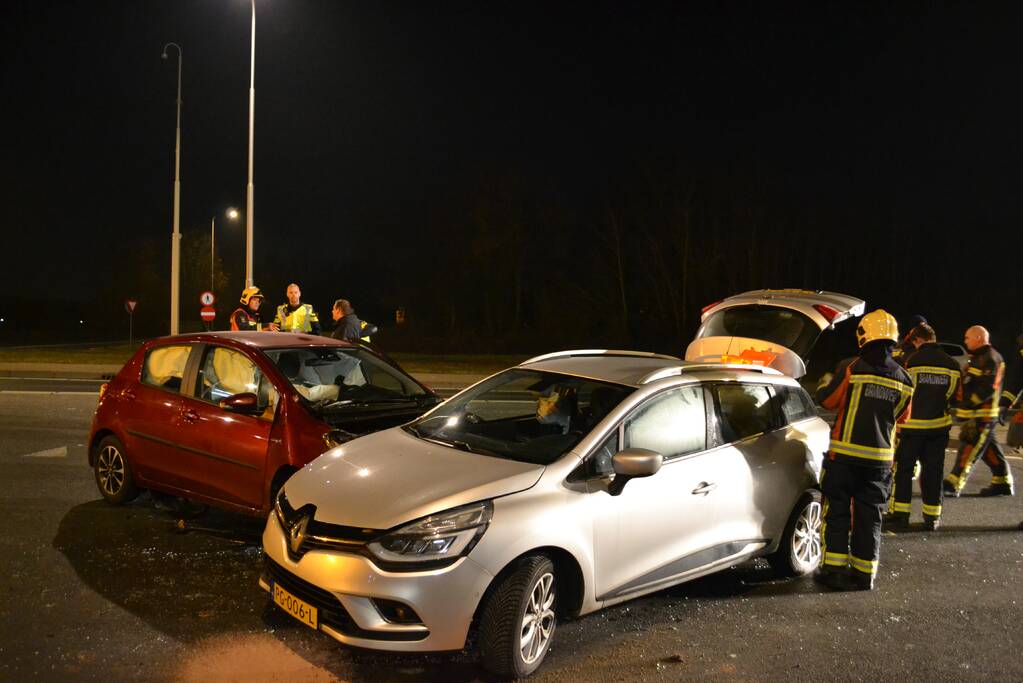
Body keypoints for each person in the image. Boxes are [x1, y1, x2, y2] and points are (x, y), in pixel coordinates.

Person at [814, 309, 914, 591]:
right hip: (880, 462)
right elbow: (903, 417)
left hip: (844, 457)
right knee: (870, 517)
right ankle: (863, 574)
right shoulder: (905, 379)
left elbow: (830, 402)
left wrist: (823, 384)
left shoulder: (852, 367)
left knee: (837, 513)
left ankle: (833, 570)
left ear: (864, 335)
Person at [886, 323, 961, 531]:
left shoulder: (911, 361)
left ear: (918, 340)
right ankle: (932, 518)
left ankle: (900, 514)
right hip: (938, 428)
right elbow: (955, 396)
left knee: (904, 470)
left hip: (912, 428)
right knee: (933, 472)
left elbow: (903, 391)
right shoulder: (952, 364)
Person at [942, 325, 1013, 497]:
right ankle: (1002, 481)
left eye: (967, 338)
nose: (965, 341)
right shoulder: (978, 357)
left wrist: (967, 404)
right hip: (976, 414)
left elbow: (988, 387)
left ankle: (953, 483)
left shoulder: (992, 358)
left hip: (982, 415)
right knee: (988, 450)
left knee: (970, 447)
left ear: (978, 338)